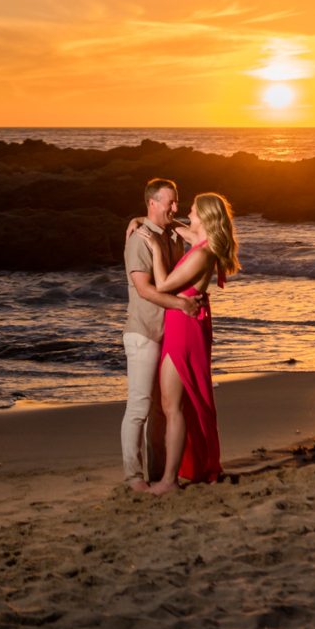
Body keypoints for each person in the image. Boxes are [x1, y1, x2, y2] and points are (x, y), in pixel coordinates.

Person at [140, 191, 240, 495]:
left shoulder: (201, 253)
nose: (188, 214)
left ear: (206, 218)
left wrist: (155, 251)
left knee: (173, 406)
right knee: (177, 404)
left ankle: (169, 480)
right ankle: (178, 472)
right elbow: (175, 226)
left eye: (194, 211)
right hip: (186, 324)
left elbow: (163, 285)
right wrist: (141, 220)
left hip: (184, 327)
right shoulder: (202, 243)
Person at [121, 178, 200, 493]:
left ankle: (156, 472)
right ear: (153, 202)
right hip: (143, 333)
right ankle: (132, 477)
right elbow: (144, 290)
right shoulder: (139, 240)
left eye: (177, 202)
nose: (175, 207)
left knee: (160, 411)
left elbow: (199, 237)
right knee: (139, 407)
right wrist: (182, 304)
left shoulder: (171, 233)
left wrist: (142, 218)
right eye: (170, 202)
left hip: (168, 335)